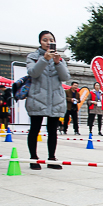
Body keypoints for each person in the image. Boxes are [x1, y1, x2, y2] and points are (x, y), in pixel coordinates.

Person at [26, 30, 71, 170]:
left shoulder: (60, 58)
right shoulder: (33, 57)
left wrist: (57, 63)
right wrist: (44, 59)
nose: (48, 42)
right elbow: (33, 72)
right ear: (40, 41)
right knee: (35, 129)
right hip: (37, 97)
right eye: (45, 40)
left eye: (50, 40)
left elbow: (65, 77)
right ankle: (33, 157)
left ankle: (52, 158)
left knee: (53, 130)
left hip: (55, 99)